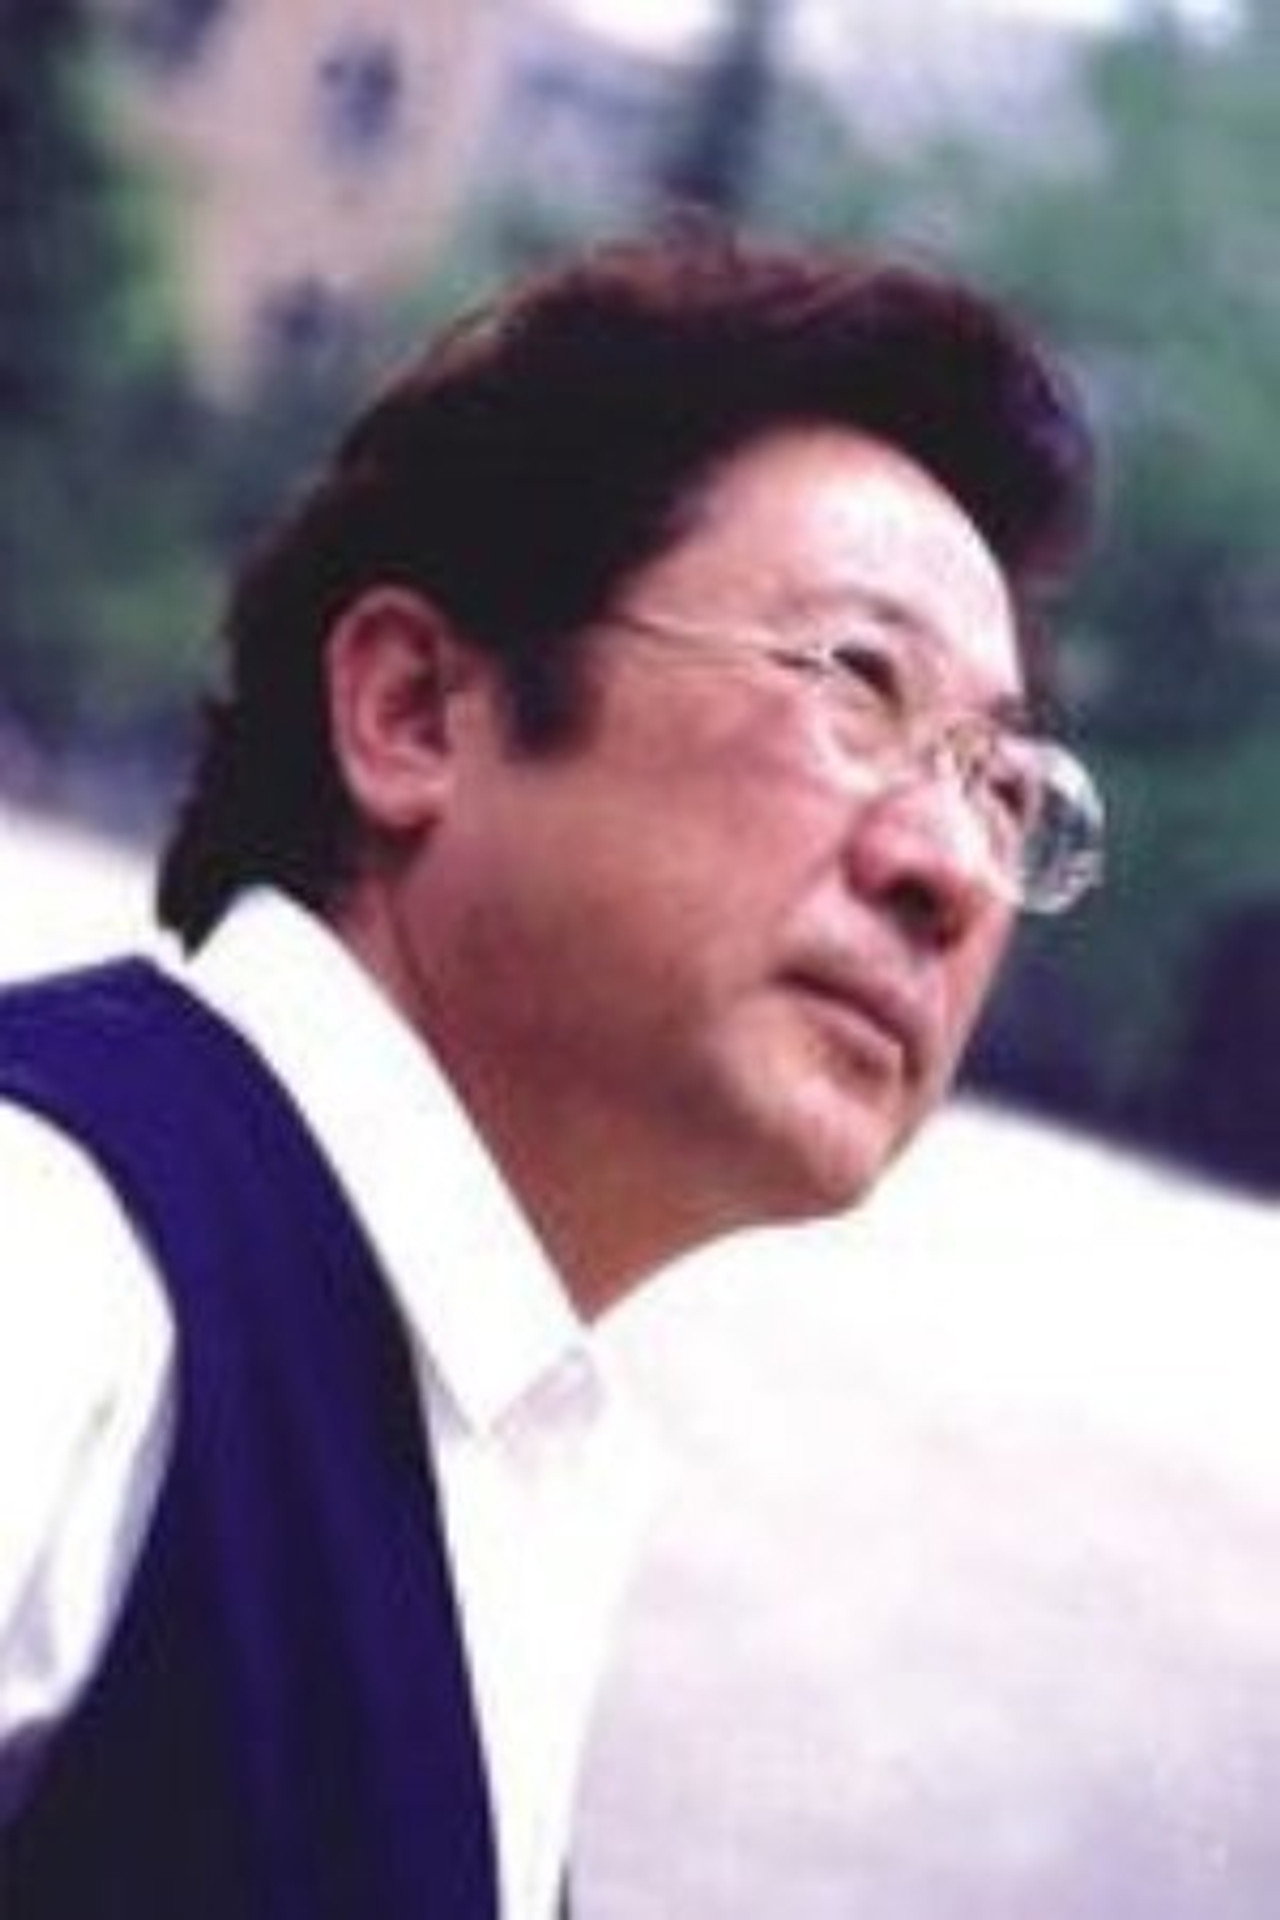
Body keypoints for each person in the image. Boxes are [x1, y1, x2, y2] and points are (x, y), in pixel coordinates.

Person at [0, 227, 1102, 1918]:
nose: (950, 867)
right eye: (856, 684)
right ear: (414, 711)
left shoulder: (491, 1449)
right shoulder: (61, 1250)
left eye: (1003, 788)